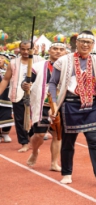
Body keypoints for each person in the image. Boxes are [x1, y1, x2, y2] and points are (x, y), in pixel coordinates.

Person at [48, 31, 96, 185]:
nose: (85, 45)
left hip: (91, 105)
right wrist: (54, 104)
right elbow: (52, 83)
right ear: (76, 43)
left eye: (88, 42)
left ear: (93, 45)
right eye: (82, 41)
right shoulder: (63, 61)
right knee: (68, 142)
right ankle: (67, 173)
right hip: (70, 104)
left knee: (94, 141)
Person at [22, 42, 68, 170]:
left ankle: (54, 163)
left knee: (57, 135)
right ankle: (35, 151)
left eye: (61, 49)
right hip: (43, 104)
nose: (58, 51)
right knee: (39, 135)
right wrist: (25, 85)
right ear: (49, 50)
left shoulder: (69, 68)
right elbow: (25, 82)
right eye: (55, 49)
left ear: (65, 52)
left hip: (60, 105)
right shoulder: (37, 66)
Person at [0, 40, 44, 152]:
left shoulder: (40, 61)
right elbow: (5, 79)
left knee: (36, 119)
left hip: (36, 95)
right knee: (19, 120)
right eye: (23, 49)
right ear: (19, 49)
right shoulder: (13, 62)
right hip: (18, 94)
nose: (25, 51)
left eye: (28, 49)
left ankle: (31, 138)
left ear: (33, 49)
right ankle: (24, 143)